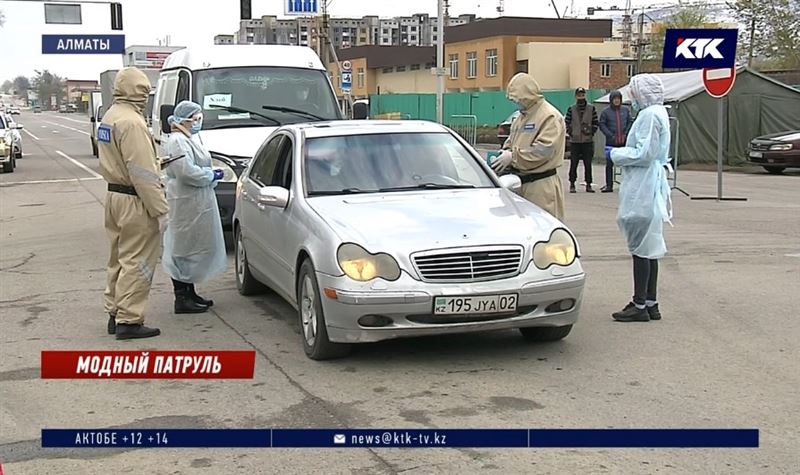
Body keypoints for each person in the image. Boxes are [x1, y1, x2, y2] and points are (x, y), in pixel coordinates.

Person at [99, 67, 168, 340]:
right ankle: (130, 319)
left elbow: (121, 160)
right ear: (139, 91)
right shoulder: (133, 123)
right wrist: (160, 209)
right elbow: (142, 173)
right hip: (134, 199)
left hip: (114, 195)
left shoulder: (110, 116)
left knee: (117, 258)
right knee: (138, 260)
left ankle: (115, 313)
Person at [605, 74, 673, 322]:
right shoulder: (657, 112)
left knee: (641, 247)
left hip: (643, 186)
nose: (631, 98)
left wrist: (616, 154)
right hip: (647, 184)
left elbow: (644, 153)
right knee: (649, 246)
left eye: (633, 93)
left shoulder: (650, 116)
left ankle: (639, 303)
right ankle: (650, 302)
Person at [162, 100, 227, 314]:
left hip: (196, 200)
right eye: (196, 119)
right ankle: (181, 297)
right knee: (182, 248)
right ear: (185, 120)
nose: (199, 123)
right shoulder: (177, 141)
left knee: (193, 246)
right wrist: (209, 175)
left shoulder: (190, 139)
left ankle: (190, 292)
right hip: (184, 201)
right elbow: (185, 171)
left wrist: (210, 174)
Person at [491, 72, 566, 221]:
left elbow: (544, 151)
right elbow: (511, 142)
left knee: (543, 229)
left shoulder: (549, 116)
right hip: (519, 183)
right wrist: (504, 154)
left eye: (516, 98)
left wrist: (513, 157)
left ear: (527, 95)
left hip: (541, 184)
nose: (515, 102)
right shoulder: (520, 117)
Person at [565, 87, 599, 193]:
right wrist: (572, 132)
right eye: (579, 95)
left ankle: (588, 184)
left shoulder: (591, 108)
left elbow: (595, 122)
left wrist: (591, 132)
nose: (581, 97)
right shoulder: (571, 109)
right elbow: (567, 122)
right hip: (575, 141)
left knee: (588, 164)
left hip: (587, 141)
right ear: (576, 96)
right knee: (573, 164)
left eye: (582, 94)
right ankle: (572, 183)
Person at [598, 90, 634, 193]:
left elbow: (630, 122)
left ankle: (627, 185)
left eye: (618, 99)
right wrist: (610, 135)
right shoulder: (606, 112)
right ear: (611, 100)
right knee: (609, 164)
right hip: (611, 142)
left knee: (626, 164)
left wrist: (626, 134)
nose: (617, 101)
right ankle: (609, 185)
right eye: (615, 99)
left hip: (623, 141)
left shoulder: (625, 110)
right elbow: (602, 125)